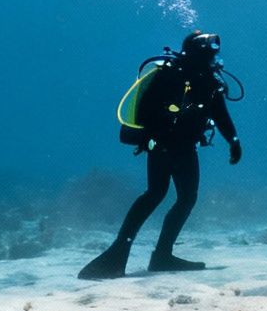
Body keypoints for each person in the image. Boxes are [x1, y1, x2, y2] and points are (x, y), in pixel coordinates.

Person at [80, 30, 243, 278]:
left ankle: (158, 255)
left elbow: (220, 114)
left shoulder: (210, 81)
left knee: (173, 196)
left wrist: (233, 140)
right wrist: (156, 135)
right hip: (164, 143)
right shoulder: (170, 75)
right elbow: (146, 110)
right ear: (197, 53)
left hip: (183, 144)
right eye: (208, 54)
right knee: (165, 195)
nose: (212, 60)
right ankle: (129, 252)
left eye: (213, 55)